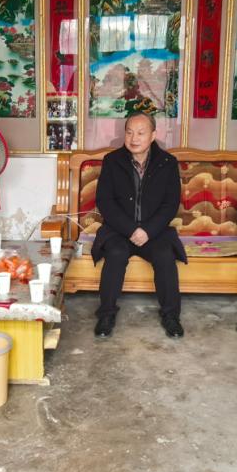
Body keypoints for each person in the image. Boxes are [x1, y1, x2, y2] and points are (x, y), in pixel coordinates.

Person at [91, 111, 186, 338]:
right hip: (119, 230)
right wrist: (131, 229)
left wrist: (148, 230)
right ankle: (106, 314)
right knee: (115, 253)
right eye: (129, 132)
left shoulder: (167, 163)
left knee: (164, 255)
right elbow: (105, 201)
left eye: (141, 133)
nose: (134, 138)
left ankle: (171, 316)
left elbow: (170, 204)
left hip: (155, 231)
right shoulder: (112, 161)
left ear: (153, 135)